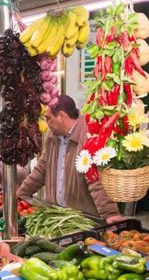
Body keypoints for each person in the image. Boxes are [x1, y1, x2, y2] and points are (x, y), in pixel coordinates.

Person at [16, 95, 124, 223]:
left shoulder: (88, 135)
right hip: (56, 215)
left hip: (82, 219)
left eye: (48, 118)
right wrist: (21, 195)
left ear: (62, 116)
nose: (46, 123)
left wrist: (109, 213)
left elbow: (95, 179)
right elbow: (41, 170)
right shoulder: (52, 137)